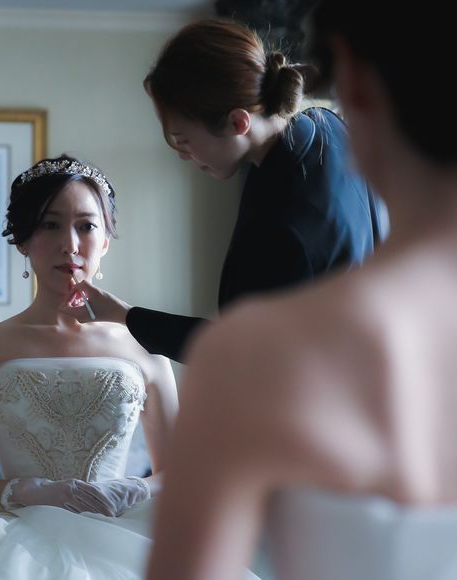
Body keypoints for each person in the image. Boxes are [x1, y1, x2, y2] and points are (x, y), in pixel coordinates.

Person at [146, 2, 457, 580]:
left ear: (354, 82)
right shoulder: (319, 130)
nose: (181, 153)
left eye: (182, 139)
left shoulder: (253, 343)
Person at [70, 18, 387, 362]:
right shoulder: (326, 126)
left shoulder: (281, 224)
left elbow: (236, 347)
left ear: (238, 122)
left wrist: (125, 316)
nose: (182, 155)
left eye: (183, 140)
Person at [0, 154, 184, 579]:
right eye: (50, 225)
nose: (70, 244)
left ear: (105, 241)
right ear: (23, 240)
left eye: (86, 226)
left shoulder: (146, 345)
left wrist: (132, 488)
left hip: (121, 531)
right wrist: (19, 491)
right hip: (13, 536)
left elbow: (180, 471)